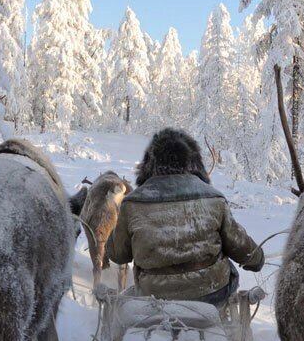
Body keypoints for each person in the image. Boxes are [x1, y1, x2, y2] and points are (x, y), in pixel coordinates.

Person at [107, 128, 264, 307]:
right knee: (229, 272)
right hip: (212, 294)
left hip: (153, 295)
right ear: (189, 163)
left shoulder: (132, 203)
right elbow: (239, 245)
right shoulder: (213, 198)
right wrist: (256, 259)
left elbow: (118, 255)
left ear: (151, 165)